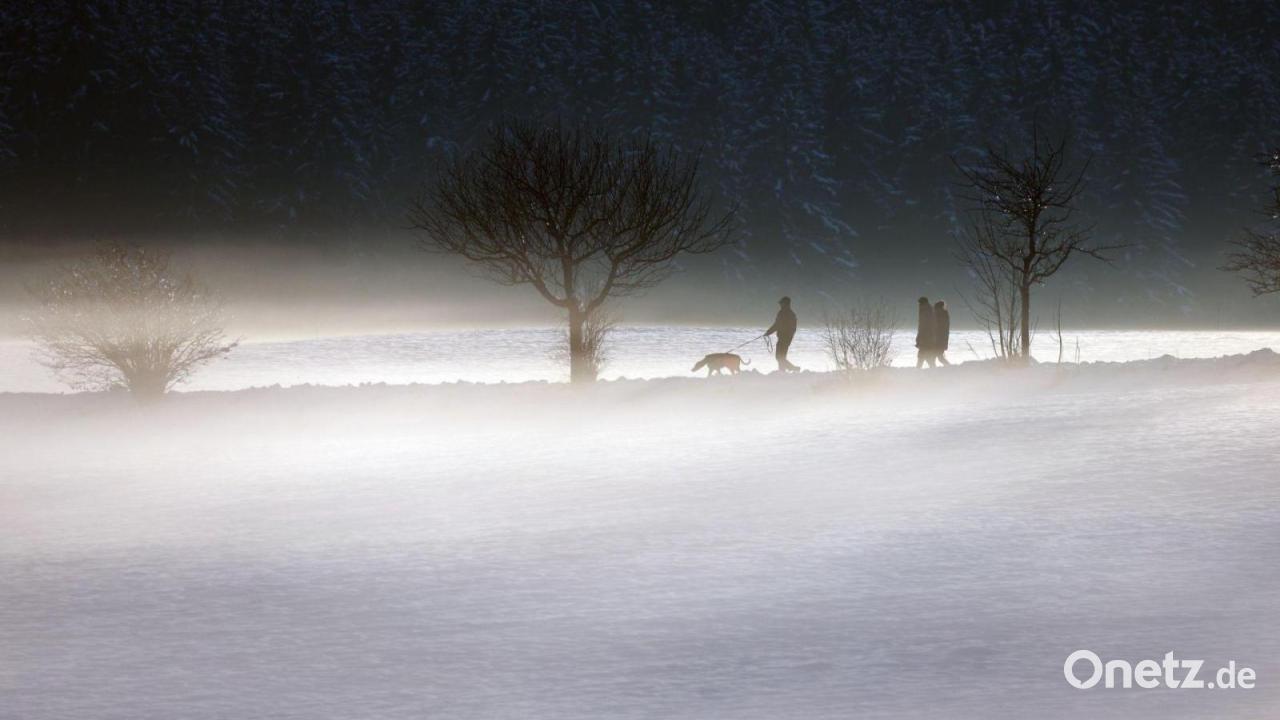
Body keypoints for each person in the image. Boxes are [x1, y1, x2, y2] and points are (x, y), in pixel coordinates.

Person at [765, 296, 800, 372]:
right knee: (781, 357)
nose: (780, 305)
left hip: (784, 338)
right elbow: (780, 325)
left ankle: (794, 369)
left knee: (779, 357)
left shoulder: (783, 313)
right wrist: (769, 332)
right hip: (785, 338)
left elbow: (777, 325)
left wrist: (768, 332)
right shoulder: (790, 314)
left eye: (781, 303)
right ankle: (782, 372)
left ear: (785, 304)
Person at [915, 296, 936, 368]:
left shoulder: (924, 311)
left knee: (923, 354)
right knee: (925, 354)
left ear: (922, 303)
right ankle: (932, 369)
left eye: (919, 303)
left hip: (926, 337)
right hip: (928, 337)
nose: (919, 305)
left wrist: (919, 338)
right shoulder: (929, 310)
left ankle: (918, 369)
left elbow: (922, 326)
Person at [933, 299, 952, 367]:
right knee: (938, 357)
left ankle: (949, 367)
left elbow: (937, 328)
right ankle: (949, 367)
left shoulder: (939, 315)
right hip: (941, 340)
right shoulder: (944, 315)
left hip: (938, 340)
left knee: (938, 357)